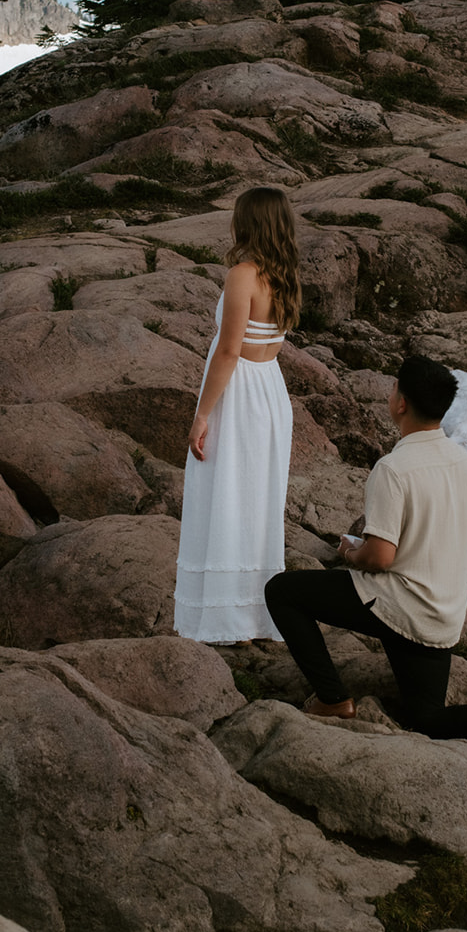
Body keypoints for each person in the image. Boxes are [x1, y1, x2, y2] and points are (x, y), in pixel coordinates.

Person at [264, 354, 467, 746]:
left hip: (396, 605)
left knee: (282, 591)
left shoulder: (393, 468)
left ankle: (332, 699)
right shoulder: (465, 463)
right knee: (427, 718)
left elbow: (380, 559)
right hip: (439, 617)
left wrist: (351, 554)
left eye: (393, 388)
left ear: (400, 403)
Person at [173, 185, 301, 644]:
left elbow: (228, 351)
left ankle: (226, 619)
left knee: (225, 496)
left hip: (240, 392)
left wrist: (201, 415)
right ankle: (256, 613)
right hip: (270, 391)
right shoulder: (284, 275)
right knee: (258, 500)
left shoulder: (242, 274)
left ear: (249, 222)